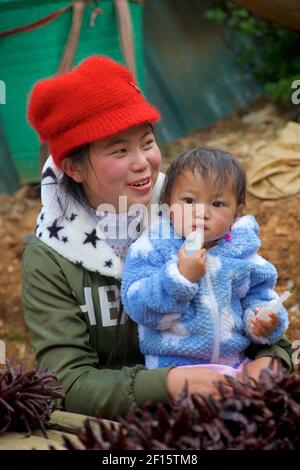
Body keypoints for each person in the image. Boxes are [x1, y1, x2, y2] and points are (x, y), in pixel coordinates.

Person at [23, 56, 293, 421]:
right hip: (126, 427)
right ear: (73, 167)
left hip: (229, 398)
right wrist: (168, 383)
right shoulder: (51, 257)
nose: (143, 162)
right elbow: (66, 383)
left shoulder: (189, 211)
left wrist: (270, 361)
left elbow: (252, 300)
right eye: (120, 150)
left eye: (147, 142)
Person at [121, 148, 290, 373]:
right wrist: (179, 279)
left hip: (234, 364)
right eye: (189, 200)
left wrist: (264, 319)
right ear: (168, 205)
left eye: (217, 204)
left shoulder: (241, 252)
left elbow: (259, 295)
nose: (201, 212)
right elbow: (140, 308)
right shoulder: (153, 247)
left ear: (236, 215)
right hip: (173, 371)